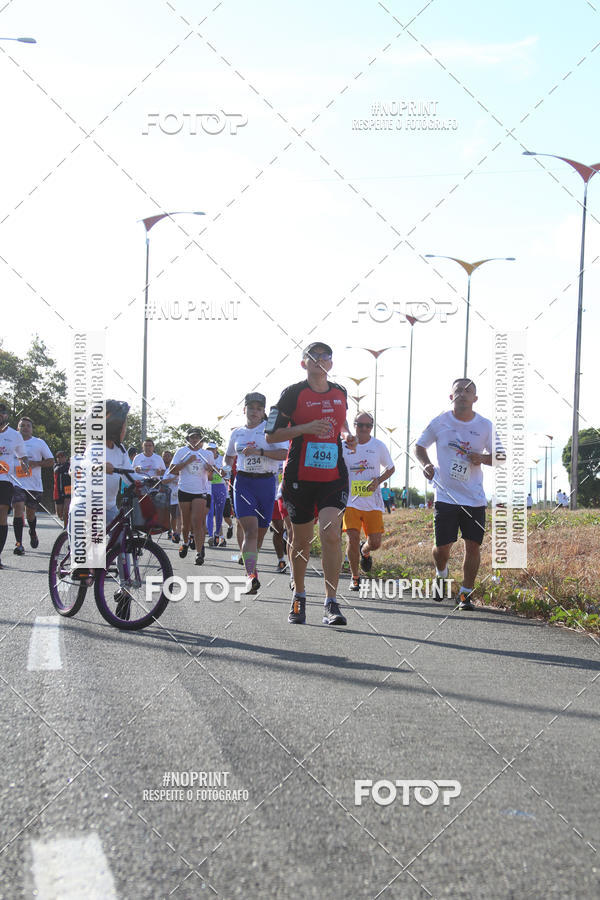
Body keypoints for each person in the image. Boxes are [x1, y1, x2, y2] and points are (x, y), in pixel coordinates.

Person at [265, 342, 357, 625]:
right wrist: (304, 428)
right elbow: (271, 435)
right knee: (301, 540)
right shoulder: (292, 394)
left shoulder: (340, 392)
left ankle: (331, 603)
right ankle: (300, 596)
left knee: (330, 532)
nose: (319, 360)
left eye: (325, 356)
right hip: (299, 477)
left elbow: (340, 424)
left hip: (333, 475)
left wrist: (347, 435)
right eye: (313, 356)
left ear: (331, 363)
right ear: (303, 363)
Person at [415, 377, 494, 611]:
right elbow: (419, 447)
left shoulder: (485, 425)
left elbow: (501, 456)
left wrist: (484, 458)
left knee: (473, 546)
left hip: (474, 498)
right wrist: (426, 465)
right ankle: (442, 573)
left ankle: (465, 593)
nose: (462, 393)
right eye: (458, 390)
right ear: (451, 397)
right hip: (446, 496)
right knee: (442, 548)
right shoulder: (440, 422)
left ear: (475, 398)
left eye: (468, 390)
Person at [225, 394, 288, 594]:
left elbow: (284, 454)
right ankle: (251, 575)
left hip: (266, 483)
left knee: (259, 535)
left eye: (258, 408)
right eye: (250, 407)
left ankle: (251, 563)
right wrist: (224, 468)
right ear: (244, 410)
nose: (254, 411)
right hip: (243, 483)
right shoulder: (237, 433)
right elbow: (228, 457)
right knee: (250, 531)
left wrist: (260, 452)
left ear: (263, 412)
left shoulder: (271, 431)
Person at [342, 412, 395, 591]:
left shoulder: (378, 446)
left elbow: (391, 468)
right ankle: (355, 577)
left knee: (375, 542)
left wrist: (378, 481)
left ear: (372, 427)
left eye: (368, 425)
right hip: (351, 501)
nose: (364, 429)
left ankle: (364, 552)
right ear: (354, 425)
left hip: (372, 502)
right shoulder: (344, 446)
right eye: (360, 425)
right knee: (352, 537)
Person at [169, 428, 213, 565]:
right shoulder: (181, 452)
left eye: (197, 437)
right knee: (185, 523)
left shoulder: (207, 454)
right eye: (192, 437)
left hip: (200, 491)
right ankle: (186, 542)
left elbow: (211, 476)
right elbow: (172, 470)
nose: (195, 440)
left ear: (201, 440)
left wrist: (209, 469)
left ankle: (199, 553)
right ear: (188, 439)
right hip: (184, 490)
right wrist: (187, 461)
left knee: (197, 521)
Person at [11, 416, 54, 555]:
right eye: (22, 425)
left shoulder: (39, 443)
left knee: (30, 514)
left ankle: (32, 531)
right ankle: (19, 544)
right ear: (18, 428)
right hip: (16, 483)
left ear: (32, 429)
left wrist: (36, 463)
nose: (25, 427)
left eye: (28, 425)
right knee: (18, 508)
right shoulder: (11, 442)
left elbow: (51, 461)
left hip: (34, 485)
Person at [0, 403, 29, 569]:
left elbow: (22, 455)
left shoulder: (14, 435)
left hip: (5, 480)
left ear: (5, 416)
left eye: (1, 414)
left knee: (2, 513)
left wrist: (24, 463)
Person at [206, 442, 229, 548]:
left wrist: (214, 467)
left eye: (212, 449)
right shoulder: (204, 458)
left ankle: (219, 536)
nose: (210, 451)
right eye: (208, 449)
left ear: (216, 450)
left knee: (219, 514)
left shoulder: (222, 459)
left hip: (220, 487)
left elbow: (223, 473)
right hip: (208, 487)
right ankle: (211, 536)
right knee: (209, 512)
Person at [161, 449, 180, 542]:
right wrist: (173, 479)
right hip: (172, 496)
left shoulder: (182, 468)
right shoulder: (169, 470)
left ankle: (179, 533)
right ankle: (173, 531)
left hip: (182, 495)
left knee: (180, 515)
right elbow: (164, 481)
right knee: (173, 515)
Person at [53, 450, 72, 528]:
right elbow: (57, 470)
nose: (60, 458)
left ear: (65, 457)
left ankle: (66, 529)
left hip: (68, 490)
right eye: (58, 457)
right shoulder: (55, 466)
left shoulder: (70, 466)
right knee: (60, 514)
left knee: (66, 512)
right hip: (58, 491)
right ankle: (66, 522)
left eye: (62, 457)